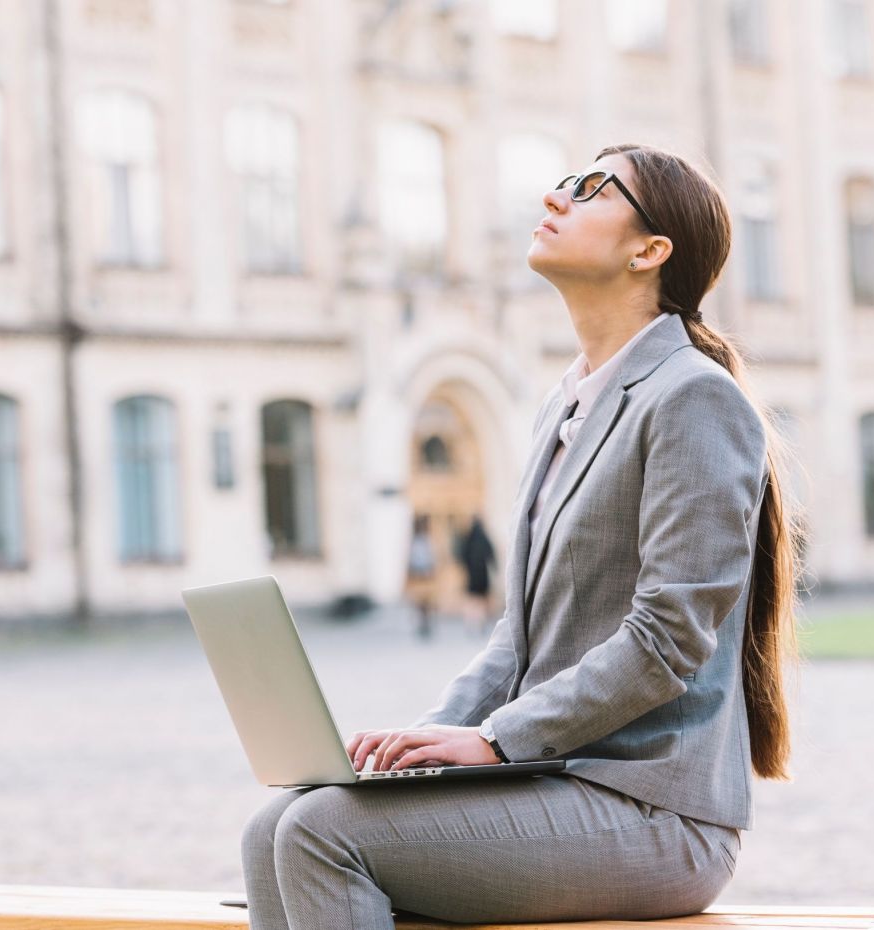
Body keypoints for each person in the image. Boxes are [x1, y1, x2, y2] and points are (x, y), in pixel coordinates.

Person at [240, 143, 807, 928]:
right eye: (567, 181)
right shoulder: (562, 404)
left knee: (321, 834)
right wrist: (427, 742)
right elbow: (520, 638)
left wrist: (498, 741)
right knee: (273, 825)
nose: (556, 196)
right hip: (562, 783)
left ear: (649, 251)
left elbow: (668, 639)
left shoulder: (693, 398)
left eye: (593, 188)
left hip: (655, 809)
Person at [458, 514, 497, 637]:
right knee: (482, 600)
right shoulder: (483, 537)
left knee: (472, 599)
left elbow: (462, 555)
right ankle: (480, 622)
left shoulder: (469, 538)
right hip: (482, 575)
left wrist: (467, 566)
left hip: (472, 575)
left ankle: (470, 622)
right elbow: (491, 554)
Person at [404, 513, 437, 639]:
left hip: (422, 574)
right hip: (421, 574)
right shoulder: (422, 541)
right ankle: (422, 623)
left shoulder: (420, 541)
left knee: (424, 601)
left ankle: (424, 623)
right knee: (421, 601)